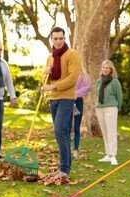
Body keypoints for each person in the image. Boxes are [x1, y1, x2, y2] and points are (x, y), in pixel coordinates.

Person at [42, 27, 81, 180]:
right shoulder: (50, 57)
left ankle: (64, 168)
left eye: (61, 38)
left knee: (60, 130)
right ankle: (64, 168)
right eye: (55, 38)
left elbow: (73, 78)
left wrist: (54, 86)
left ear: (64, 39)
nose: (58, 41)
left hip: (66, 97)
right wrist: (45, 72)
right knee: (61, 133)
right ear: (51, 39)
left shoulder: (72, 54)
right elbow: (45, 81)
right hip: (53, 99)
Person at [95, 60, 123, 165]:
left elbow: (119, 96)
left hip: (111, 108)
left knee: (111, 131)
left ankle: (113, 155)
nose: (105, 69)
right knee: (105, 131)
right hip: (99, 108)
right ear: (101, 69)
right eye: (104, 67)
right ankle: (107, 154)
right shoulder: (99, 81)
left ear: (111, 70)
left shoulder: (115, 81)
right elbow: (97, 95)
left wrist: (118, 107)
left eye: (107, 68)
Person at [71, 72, 91, 159]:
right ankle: (66, 150)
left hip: (77, 101)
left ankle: (75, 149)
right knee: (66, 127)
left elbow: (87, 87)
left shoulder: (83, 74)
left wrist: (76, 94)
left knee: (76, 127)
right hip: (66, 100)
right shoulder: (68, 70)